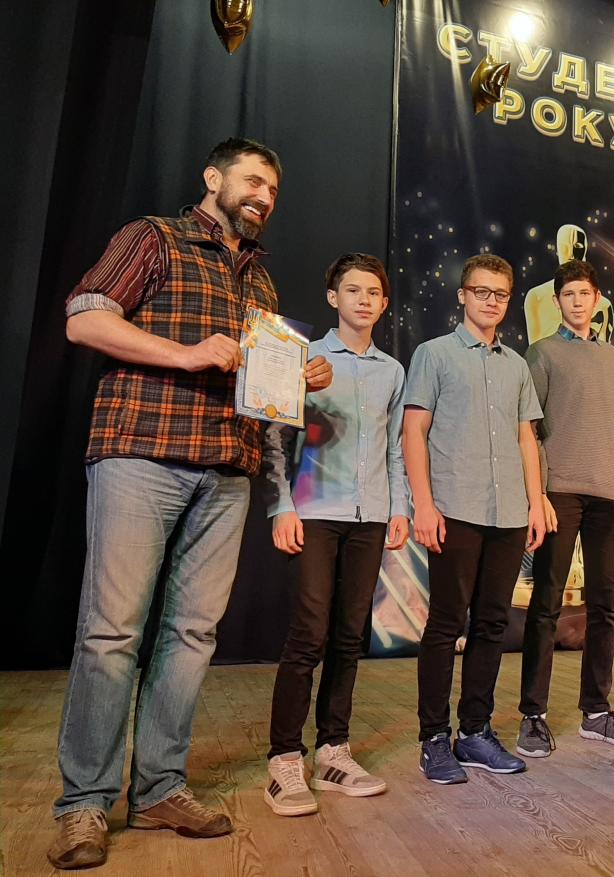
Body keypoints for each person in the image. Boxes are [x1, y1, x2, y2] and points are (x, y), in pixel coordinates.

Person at [51, 138, 333, 869]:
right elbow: (84, 319)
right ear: (214, 178)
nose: (264, 196)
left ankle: (158, 788)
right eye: (253, 181)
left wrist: (300, 378)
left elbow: (259, 391)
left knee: (192, 635)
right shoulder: (154, 237)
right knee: (112, 633)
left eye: (273, 189)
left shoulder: (262, 284)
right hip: (140, 453)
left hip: (227, 470)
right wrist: (184, 353)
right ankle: (84, 802)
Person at [260, 253, 410, 816]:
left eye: (373, 292)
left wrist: (399, 508)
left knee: (350, 636)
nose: (363, 300)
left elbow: (396, 448)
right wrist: (281, 507)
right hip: (315, 511)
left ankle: (333, 751)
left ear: (384, 303)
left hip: (370, 516)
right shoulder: (306, 359)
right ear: (333, 298)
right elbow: (274, 436)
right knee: (309, 634)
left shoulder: (392, 371)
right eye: (353, 290)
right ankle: (284, 759)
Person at [404, 254, 546, 783]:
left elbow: (526, 437)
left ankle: (475, 732)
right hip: (455, 508)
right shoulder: (433, 354)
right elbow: (414, 431)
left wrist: (535, 501)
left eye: (500, 294)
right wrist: (423, 503)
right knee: (446, 622)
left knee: (492, 623)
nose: (491, 301)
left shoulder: (516, 365)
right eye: (481, 291)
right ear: (463, 295)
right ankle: (433, 737)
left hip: (508, 512)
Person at [516, 259, 614, 758]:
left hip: (610, 494)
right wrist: (539, 492)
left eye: (585, 294)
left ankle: (596, 710)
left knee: (604, 606)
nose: (577, 302)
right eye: (568, 294)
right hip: (561, 493)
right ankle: (533, 714)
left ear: (597, 300)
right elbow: (528, 427)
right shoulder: (542, 352)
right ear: (557, 302)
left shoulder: (612, 357)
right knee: (547, 603)